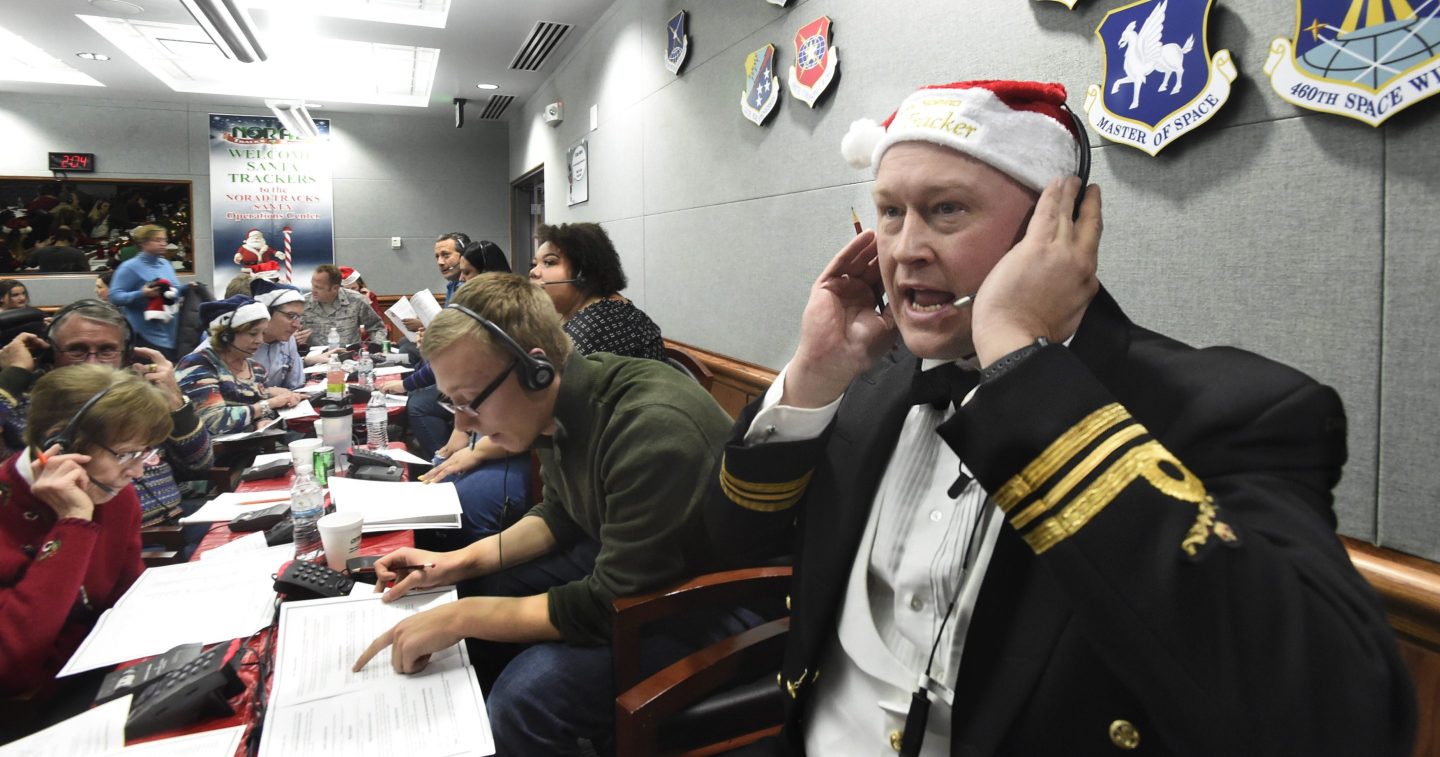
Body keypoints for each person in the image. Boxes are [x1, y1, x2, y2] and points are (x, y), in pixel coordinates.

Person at [706, 80, 1415, 755]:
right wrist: (811, 375)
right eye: (890, 212)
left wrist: (1021, 361)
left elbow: (1337, 721)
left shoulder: (1233, 409)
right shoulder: (870, 381)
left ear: (1058, 227)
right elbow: (728, 538)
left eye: (946, 209)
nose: (905, 249)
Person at [353, 273, 748, 755]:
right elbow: (560, 514)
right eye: (450, 401)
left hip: (713, 600)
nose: (461, 422)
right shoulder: (556, 405)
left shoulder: (652, 428)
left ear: (534, 369)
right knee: (479, 587)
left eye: (468, 400)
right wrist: (459, 564)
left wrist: (463, 618)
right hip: (637, 568)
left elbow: (610, 602)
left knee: (526, 697)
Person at [0, 364, 172, 734]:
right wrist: (74, 522)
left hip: (107, 677)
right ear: (56, 444)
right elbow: (11, 665)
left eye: (144, 453)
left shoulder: (117, 496)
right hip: (32, 715)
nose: (138, 472)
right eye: (127, 454)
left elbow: (127, 600)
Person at [0, 299, 214, 533]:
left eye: (106, 350)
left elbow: (200, 463)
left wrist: (174, 398)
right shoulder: (31, 403)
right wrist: (13, 375)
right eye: (77, 350)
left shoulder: (141, 395)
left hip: (179, 519)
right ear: (51, 354)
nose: (92, 362)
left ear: (126, 354)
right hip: (121, 541)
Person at [530, 222, 665, 361]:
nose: (533, 272)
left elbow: (552, 377)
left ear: (582, 273)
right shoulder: (574, 311)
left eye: (549, 262)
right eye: (534, 264)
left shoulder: (603, 322)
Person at [176, 296, 301, 436]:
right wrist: (270, 404)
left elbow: (261, 412)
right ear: (226, 335)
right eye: (253, 333)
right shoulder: (197, 364)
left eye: (262, 333)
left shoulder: (257, 370)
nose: (260, 340)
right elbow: (214, 421)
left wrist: (263, 421)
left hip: (250, 448)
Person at [192, 280, 307, 390]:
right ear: (268, 312)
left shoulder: (287, 339)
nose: (297, 325)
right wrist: (269, 397)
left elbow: (296, 386)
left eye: (299, 317)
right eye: (291, 316)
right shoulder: (207, 355)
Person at [109, 224, 186, 360]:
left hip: (171, 331)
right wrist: (142, 294)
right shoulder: (130, 267)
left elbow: (174, 291)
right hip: (144, 334)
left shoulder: (165, 264)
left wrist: (189, 288)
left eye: (164, 240)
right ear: (143, 243)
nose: (163, 244)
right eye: (158, 240)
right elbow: (114, 296)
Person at [300, 264, 384, 348]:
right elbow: (290, 336)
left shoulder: (356, 300)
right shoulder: (302, 304)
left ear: (335, 288)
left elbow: (377, 327)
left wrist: (376, 348)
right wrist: (294, 339)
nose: (313, 290)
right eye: (313, 285)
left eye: (319, 288)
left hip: (350, 357)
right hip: (315, 358)